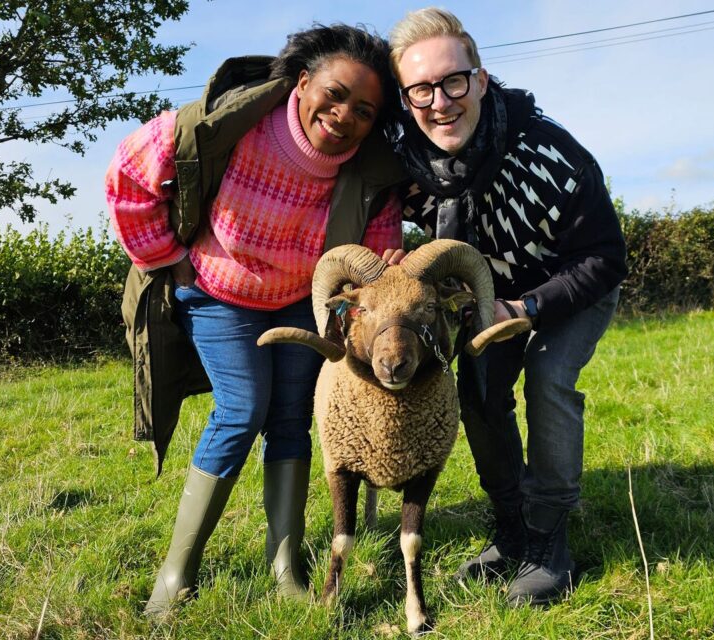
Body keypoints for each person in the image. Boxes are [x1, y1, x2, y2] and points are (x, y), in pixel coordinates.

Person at [106, 24, 407, 617]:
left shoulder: (375, 173)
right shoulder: (226, 124)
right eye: (336, 93)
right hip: (219, 293)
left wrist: (381, 273)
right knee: (243, 408)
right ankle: (177, 573)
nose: (345, 115)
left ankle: (285, 567)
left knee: (291, 417)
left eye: (365, 110)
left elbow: (372, 254)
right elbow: (128, 175)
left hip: (301, 302)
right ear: (302, 82)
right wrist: (168, 258)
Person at [388, 8, 628, 606]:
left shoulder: (552, 154)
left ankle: (550, 536)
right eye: (421, 89)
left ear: (481, 78)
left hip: (571, 285)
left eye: (453, 81)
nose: (440, 102)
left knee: (548, 379)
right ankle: (513, 527)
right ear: (406, 97)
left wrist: (528, 305)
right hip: (488, 294)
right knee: (477, 392)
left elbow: (606, 256)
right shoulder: (406, 164)